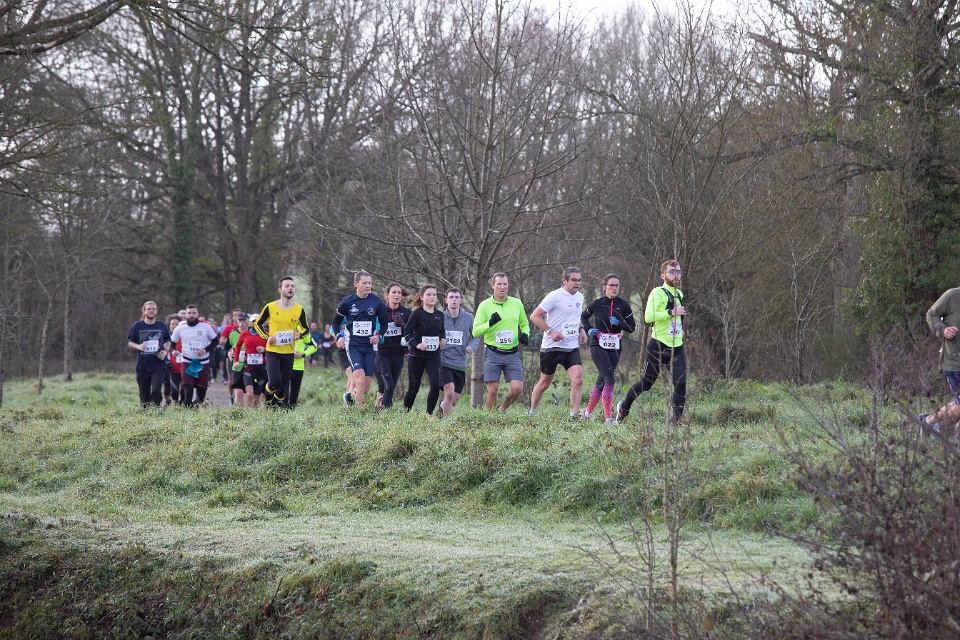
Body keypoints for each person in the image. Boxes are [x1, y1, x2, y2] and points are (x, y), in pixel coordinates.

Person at [617, 260, 688, 424]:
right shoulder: (657, 292)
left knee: (681, 383)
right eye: (672, 272)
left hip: (677, 347)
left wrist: (680, 329)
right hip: (658, 346)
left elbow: (678, 318)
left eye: (678, 272)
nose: (676, 275)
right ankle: (624, 408)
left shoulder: (679, 294)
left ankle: (677, 421)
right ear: (663, 275)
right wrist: (671, 312)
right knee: (646, 384)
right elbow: (648, 317)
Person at [528, 267, 588, 418]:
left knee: (578, 380)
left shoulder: (580, 297)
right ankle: (532, 411)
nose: (577, 283)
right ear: (564, 281)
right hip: (551, 347)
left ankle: (573, 416)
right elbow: (535, 316)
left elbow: (575, 317)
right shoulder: (554, 296)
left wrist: (581, 330)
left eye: (579, 280)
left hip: (571, 347)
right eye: (573, 280)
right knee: (544, 383)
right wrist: (550, 331)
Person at [581, 274, 637, 423]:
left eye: (617, 285)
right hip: (598, 345)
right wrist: (588, 329)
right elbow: (583, 316)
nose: (614, 288)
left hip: (615, 347)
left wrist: (620, 323)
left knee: (602, 380)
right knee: (610, 379)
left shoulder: (623, 305)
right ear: (604, 286)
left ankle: (587, 413)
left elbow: (632, 327)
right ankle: (608, 419)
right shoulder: (597, 304)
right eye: (611, 285)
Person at [472, 272, 530, 412]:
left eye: (505, 284)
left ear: (508, 286)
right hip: (493, 352)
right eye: (499, 284)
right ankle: (491, 418)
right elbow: (475, 332)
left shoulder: (516, 303)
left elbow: (524, 324)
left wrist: (526, 334)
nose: (502, 287)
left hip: (512, 352)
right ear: (493, 286)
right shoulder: (485, 305)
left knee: (517, 388)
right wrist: (490, 323)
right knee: (493, 390)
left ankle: (501, 409)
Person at [332, 270, 390, 408]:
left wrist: (379, 336)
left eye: (370, 283)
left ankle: (349, 398)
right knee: (360, 380)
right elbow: (335, 323)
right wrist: (339, 336)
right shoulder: (347, 302)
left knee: (365, 388)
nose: (368, 286)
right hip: (353, 346)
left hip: (370, 347)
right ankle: (359, 412)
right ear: (355, 284)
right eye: (364, 283)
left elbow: (384, 324)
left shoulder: (377, 302)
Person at [254, 276, 309, 408]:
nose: (290, 288)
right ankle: (266, 402)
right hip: (273, 351)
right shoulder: (270, 307)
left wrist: (300, 335)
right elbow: (257, 324)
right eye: (287, 286)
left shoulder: (299, 309)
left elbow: (306, 329)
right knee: (274, 382)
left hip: (289, 352)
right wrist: (267, 337)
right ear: (280, 289)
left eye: (292, 286)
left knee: (282, 388)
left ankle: (274, 407)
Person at [402, 284, 447, 414]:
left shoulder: (440, 314)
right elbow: (407, 333)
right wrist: (416, 345)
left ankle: (429, 415)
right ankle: (405, 414)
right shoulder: (417, 314)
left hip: (434, 356)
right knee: (414, 388)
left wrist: (442, 339)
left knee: (436, 385)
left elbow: (441, 331)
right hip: (417, 356)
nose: (432, 297)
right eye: (429, 294)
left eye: (434, 295)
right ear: (422, 297)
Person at [921, 286, 960, 435]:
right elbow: (931, 314)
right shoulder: (953, 295)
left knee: (958, 404)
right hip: (954, 363)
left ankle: (928, 422)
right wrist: (943, 330)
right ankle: (937, 432)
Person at [439, 288, 480, 418]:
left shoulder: (469, 318)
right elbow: (433, 334)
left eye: (457, 297)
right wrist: (438, 341)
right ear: (446, 300)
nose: (454, 300)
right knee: (449, 393)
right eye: (451, 297)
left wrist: (472, 346)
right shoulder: (440, 317)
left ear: (461, 300)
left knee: (454, 400)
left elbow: (476, 336)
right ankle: (446, 423)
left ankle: (441, 406)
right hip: (443, 361)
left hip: (460, 363)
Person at [170, 304, 220, 407]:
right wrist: (174, 350)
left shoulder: (205, 327)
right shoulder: (180, 328)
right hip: (187, 361)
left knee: (201, 395)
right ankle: (187, 410)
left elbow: (216, 341)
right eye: (189, 313)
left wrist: (205, 350)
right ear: (186, 315)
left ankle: (194, 406)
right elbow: (172, 343)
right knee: (188, 388)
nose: (191, 315)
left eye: (194, 313)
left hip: (202, 362)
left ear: (197, 314)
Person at [126, 300, 172, 407]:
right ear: (144, 311)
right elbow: (130, 343)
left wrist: (165, 351)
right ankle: (146, 412)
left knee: (156, 390)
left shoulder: (161, 325)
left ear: (156, 311)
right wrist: (139, 347)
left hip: (158, 364)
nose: (151, 311)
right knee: (144, 395)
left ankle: (156, 410)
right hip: (143, 365)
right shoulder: (137, 326)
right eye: (149, 309)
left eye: (153, 309)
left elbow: (168, 340)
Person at [375, 283, 411, 410]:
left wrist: (403, 325)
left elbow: (414, 334)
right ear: (387, 295)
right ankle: (387, 413)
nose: (397, 295)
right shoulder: (379, 311)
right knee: (388, 385)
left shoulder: (407, 313)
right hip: (382, 353)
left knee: (387, 387)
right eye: (394, 292)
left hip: (398, 354)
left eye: (399, 293)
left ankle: (378, 409)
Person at [235, 315, 268, 408]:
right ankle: (247, 414)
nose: (256, 323)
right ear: (250, 323)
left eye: (258, 321)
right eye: (254, 321)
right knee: (249, 394)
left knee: (256, 398)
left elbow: (273, 349)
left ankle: (254, 414)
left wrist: (265, 349)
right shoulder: (245, 334)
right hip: (248, 367)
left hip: (261, 368)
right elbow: (238, 346)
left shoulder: (266, 335)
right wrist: (236, 360)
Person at [225, 313, 250, 406]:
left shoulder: (252, 333)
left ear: (248, 321)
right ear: (237, 322)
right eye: (240, 320)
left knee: (250, 391)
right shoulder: (232, 334)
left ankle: (251, 410)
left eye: (244, 320)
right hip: (236, 364)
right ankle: (237, 409)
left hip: (250, 364)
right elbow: (226, 349)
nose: (242, 323)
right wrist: (228, 353)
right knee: (238, 391)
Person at [164, 314, 181, 405]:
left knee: (184, 389)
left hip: (183, 366)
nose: (174, 326)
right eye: (172, 324)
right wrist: (166, 362)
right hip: (171, 367)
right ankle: (168, 401)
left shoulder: (184, 337)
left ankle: (179, 404)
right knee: (168, 390)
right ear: (169, 325)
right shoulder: (166, 338)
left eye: (176, 324)